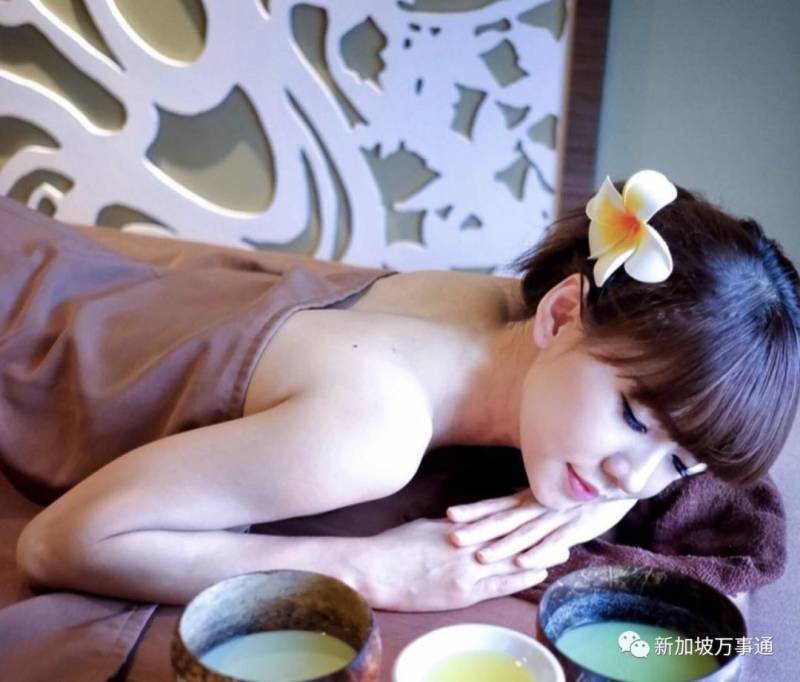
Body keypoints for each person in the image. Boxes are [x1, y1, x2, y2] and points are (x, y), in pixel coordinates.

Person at [13, 170, 800, 613]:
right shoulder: (374, 430)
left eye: (677, 464)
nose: (634, 477)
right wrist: (368, 571)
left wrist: (593, 497)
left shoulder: (508, 307)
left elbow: (659, 352)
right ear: (562, 313)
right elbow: (58, 544)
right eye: (630, 416)